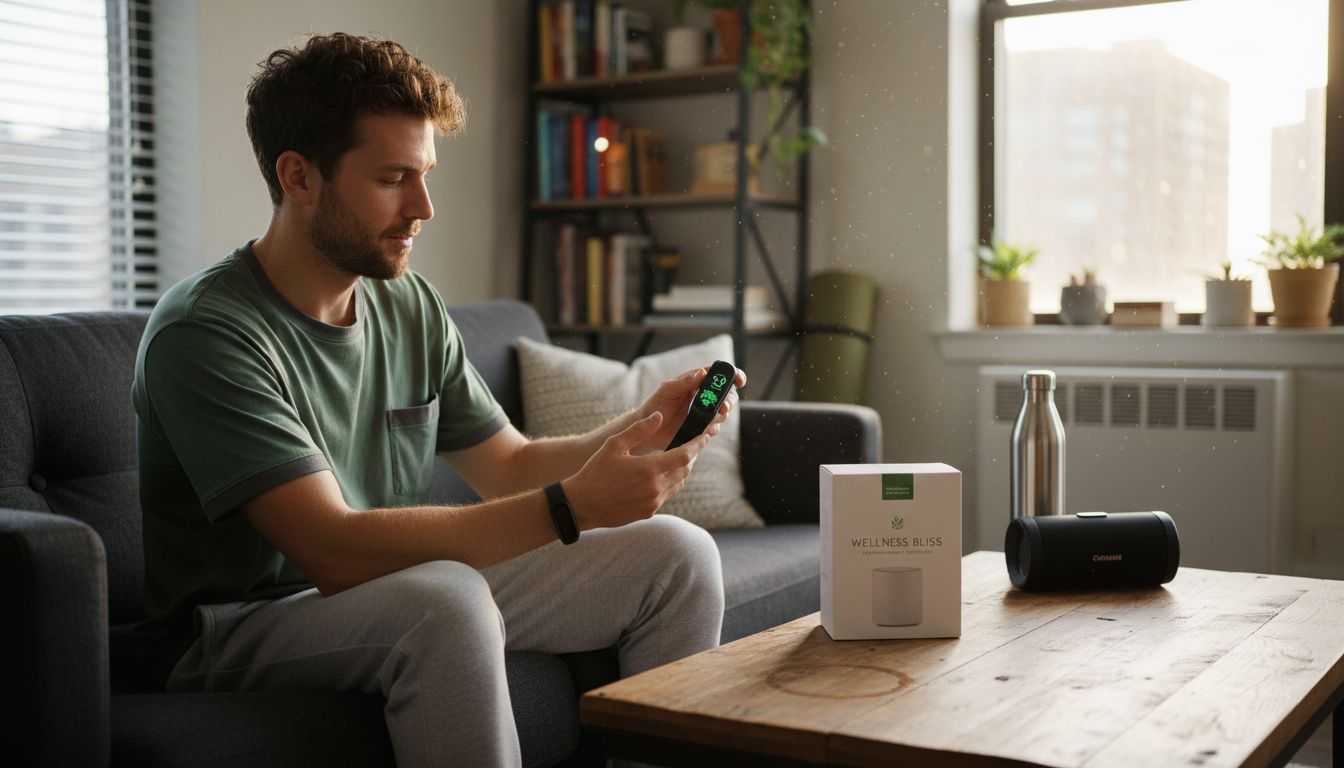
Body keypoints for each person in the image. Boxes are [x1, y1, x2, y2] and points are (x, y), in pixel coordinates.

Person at [132, 32, 741, 767]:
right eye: (393, 178)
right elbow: (329, 548)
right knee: (445, 604)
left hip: (396, 587)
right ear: (299, 176)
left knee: (678, 555)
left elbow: (511, 464)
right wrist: (572, 506)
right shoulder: (207, 331)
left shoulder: (406, 301)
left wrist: (650, 422)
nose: (423, 207)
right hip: (236, 624)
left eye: (424, 174)